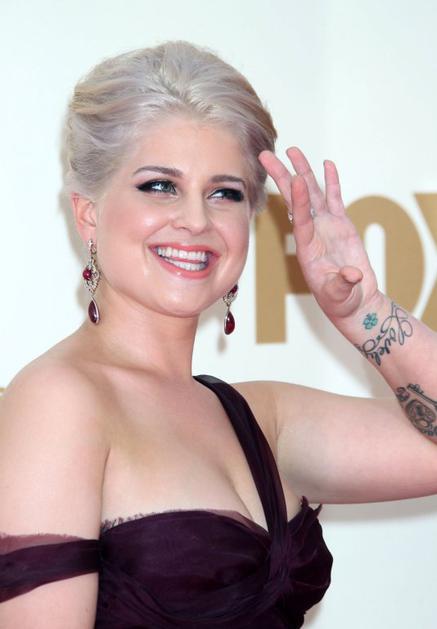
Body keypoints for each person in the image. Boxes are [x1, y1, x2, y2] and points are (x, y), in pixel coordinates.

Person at [1, 41, 436, 629]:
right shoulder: (58, 403)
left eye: (224, 193)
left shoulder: (263, 420)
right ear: (88, 214)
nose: (196, 220)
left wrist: (367, 313)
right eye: (160, 185)